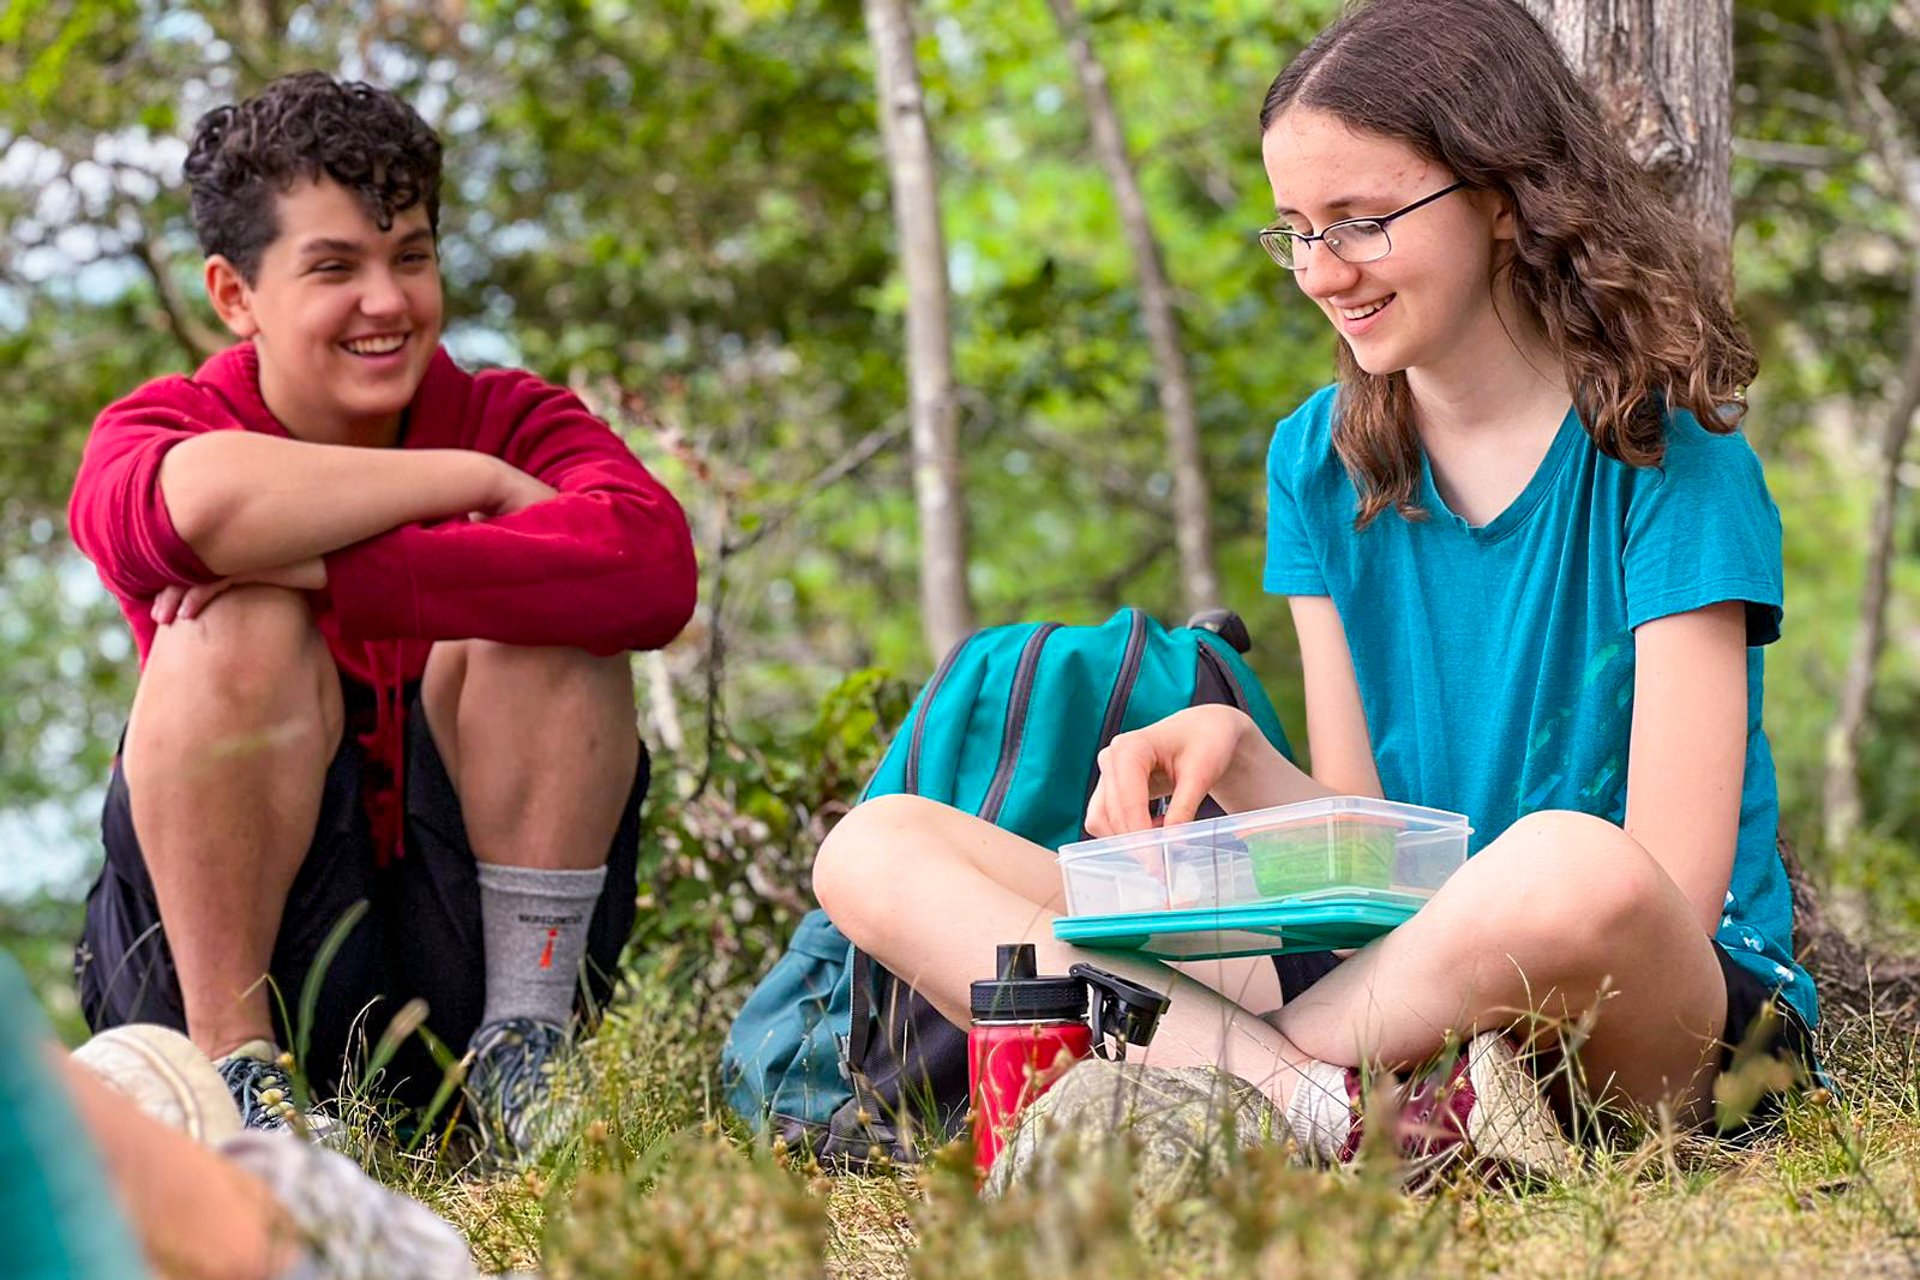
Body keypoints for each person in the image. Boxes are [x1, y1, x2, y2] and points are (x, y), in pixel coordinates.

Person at [811, 0, 1817, 1171]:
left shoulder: (1670, 455)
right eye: (1294, 229)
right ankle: (1338, 1114)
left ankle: (1241, 1075)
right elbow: (1372, 852)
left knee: (1570, 861)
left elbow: (1668, 889)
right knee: (874, 847)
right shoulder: (1318, 457)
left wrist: (1261, 1017)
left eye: (1363, 221)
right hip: (1396, 1000)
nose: (1323, 271)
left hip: (1664, 1023)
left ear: (1501, 195)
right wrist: (1239, 753)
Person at [67, 71, 697, 1161]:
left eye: (410, 256)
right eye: (335, 267)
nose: (388, 302)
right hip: (218, 965)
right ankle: (236, 1081)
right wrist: (470, 484)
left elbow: (648, 569)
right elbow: (192, 507)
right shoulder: (169, 422)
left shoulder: (518, 416)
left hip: (467, 963)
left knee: (553, 619)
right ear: (234, 294)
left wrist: (339, 570)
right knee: (235, 620)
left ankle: (523, 1059)